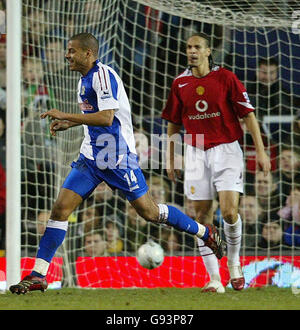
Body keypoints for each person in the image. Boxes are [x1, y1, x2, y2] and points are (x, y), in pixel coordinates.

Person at [10, 32, 223, 294]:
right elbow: (93, 116)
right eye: (67, 51)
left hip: (117, 157)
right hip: (91, 157)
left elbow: (107, 118)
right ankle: (38, 275)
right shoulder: (83, 79)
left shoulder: (102, 75)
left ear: (88, 53)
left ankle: (204, 233)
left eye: (72, 51)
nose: (68, 55)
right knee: (60, 209)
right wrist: (71, 122)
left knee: (150, 213)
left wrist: (65, 113)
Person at [161, 32, 271, 293]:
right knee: (202, 218)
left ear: (209, 51)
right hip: (196, 151)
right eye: (188, 47)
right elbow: (173, 123)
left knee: (230, 212)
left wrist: (262, 151)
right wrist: (172, 155)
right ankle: (214, 279)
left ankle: (234, 264)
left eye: (197, 47)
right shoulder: (179, 83)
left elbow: (249, 115)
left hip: (227, 149)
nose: (192, 51)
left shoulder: (225, 77)